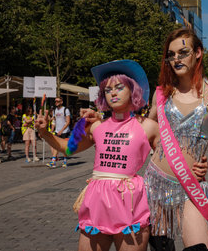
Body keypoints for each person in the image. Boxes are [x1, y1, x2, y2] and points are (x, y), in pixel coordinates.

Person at [36, 60, 158, 251]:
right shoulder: (93, 125)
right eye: (107, 90)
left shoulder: (148, 126)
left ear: (133, 90)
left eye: (119, 87)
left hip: (131, 202)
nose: (113, 93)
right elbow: (68, 148)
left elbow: (170, 158)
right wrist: (45, 133)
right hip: (96, 202)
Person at [146, 29, 208, 251]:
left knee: (199, 246)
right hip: (154, 186)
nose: (176, 58)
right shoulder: (161, 94)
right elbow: (144, 134)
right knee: (160, 248)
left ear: (198, 52)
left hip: (192, 188)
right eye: (171, 54)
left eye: (183, 52)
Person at [47, 96, 71, 168]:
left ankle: (65, 161)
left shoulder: (65, 110)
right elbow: (54, 121)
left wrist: (62, 130)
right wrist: (52, 130)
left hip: (65, 131)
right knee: (56, 146)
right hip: (57, 131)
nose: (56, 103)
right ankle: (53, 161)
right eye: (55, 101)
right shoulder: (54, 110)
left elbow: (68, 122)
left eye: (57, 101)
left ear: (61, 102)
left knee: (64, 147)